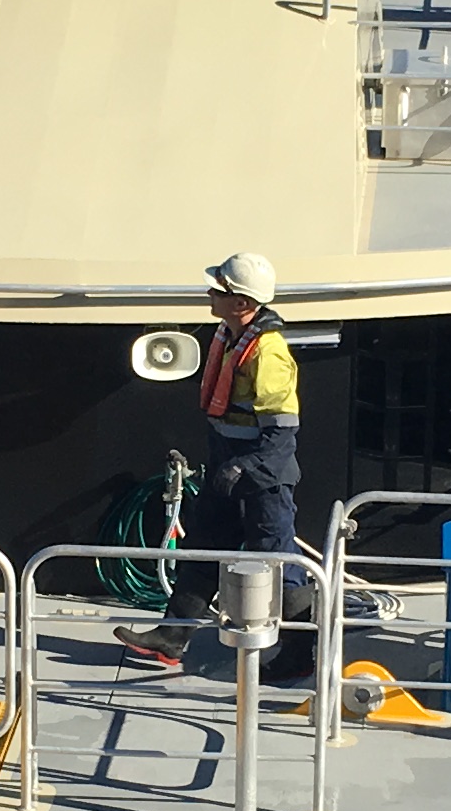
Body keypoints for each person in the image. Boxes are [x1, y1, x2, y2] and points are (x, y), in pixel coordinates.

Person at [121, 251, 312, 666]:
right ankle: (172, 637)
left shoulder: (267, 354)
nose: (210, 292)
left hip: (263, 477)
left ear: (242, 303)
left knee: (279, 561)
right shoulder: (230, 339)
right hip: (230, 467)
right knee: (205, 546)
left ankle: (299, 653)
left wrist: (247, 468)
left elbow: (281, 433)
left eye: (220, 289)